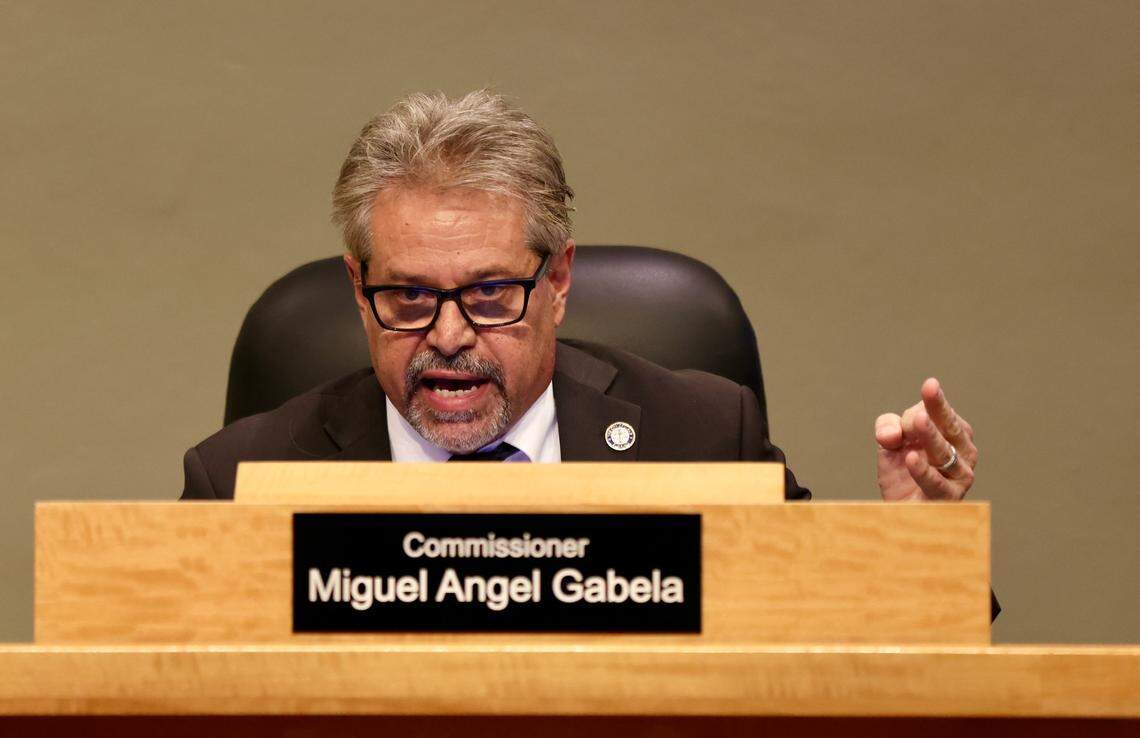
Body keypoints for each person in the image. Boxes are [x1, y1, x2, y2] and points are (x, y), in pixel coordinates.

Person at [180, 90, 979, 507]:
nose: (449, 336)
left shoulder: (701, 440)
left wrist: (919, 546)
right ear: (358, 289)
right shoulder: (241, 480)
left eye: (491, 293)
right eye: (410, 297)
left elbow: (838, 671)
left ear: (557, 282)